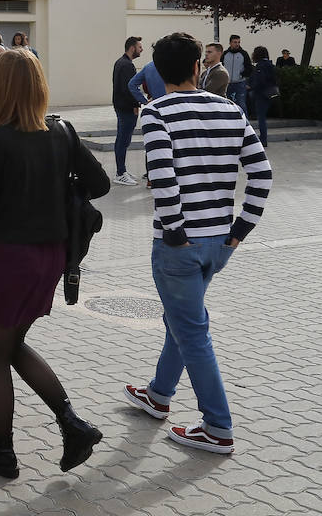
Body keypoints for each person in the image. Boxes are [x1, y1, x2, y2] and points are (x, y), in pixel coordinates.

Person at [0, 48, 110, 478]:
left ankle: (4, 452)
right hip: (50, 257)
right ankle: (72, 425)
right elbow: (100, 184)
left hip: (8, 260)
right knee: (10, 346)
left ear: (4, 88)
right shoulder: (62, 132)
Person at [123, 32, 272, 456]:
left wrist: (175, 232)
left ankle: (217, 427)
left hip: (180, 246)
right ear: (196, 67)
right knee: (183, 320)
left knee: (192, 331)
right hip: (218, 242)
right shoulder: (230, 109)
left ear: (155, 74)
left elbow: (164, 180)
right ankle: (158, 395)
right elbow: (262, 175)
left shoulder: (155, 113)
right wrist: (240, 231)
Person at [111, 36, 143, 186]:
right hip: (126, 108)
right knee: (123, 140)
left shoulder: (121, 62)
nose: (141, 49)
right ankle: (120, 173)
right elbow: (128, 89)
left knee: (122, 139)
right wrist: (136, 105)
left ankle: (122, 170)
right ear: (132, 48)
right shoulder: (127, 65)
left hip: (121, 106)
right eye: (139, 47)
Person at [248, 46, 278, 147]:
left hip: (261, 94)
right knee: (262, 117)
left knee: (261, 118)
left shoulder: (261, 66)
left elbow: (260, 80)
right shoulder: (270, 65)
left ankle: (263, 139)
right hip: (269, 94)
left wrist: (251, 86)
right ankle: (263, 138)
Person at [221, 34, 253, 115]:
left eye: (238, 42)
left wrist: (242, 75)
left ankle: (245, 123)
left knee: (241, 104)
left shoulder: (244, 54)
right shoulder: (225, 54)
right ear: (230, 43)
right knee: (226, 104)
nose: (237, 44)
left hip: (240, 83)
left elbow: (249, 67)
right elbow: (220, 66)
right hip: (227, 84)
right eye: (235, 42)